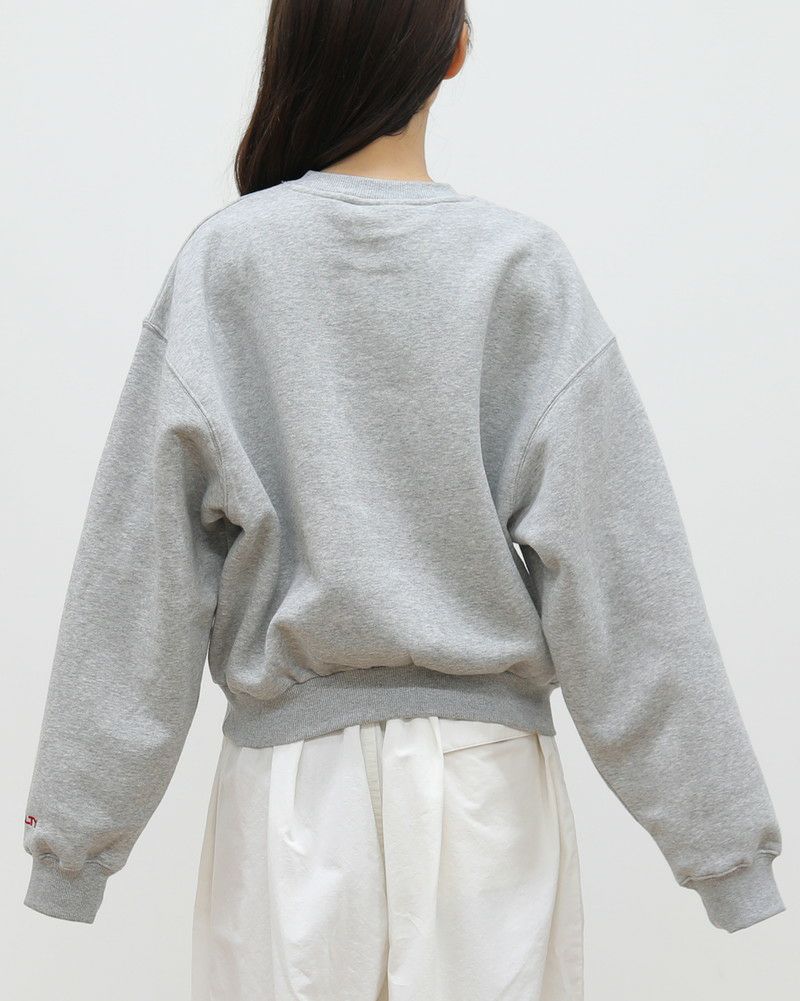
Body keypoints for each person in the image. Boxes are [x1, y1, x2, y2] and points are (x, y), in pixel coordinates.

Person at [22, 2, 785, 999]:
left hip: (289, 797)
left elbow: (138, 578)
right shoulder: (518, 267)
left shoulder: (228, 263)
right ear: (455, 50)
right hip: (486, 792)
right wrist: (725, 846)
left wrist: (73, 836)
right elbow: (625, 580)